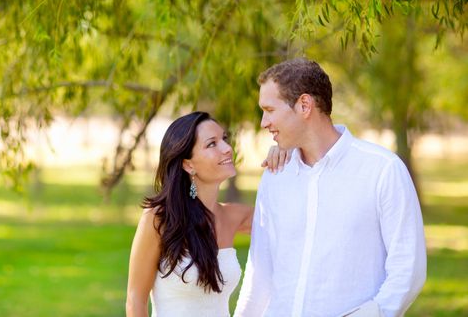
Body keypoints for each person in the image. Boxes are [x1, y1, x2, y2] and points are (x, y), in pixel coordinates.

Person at [234, 58, 427, 317]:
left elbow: (408, 267)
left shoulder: (382, 170)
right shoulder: (275, 175)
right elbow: (260, 274)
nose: (263, 122)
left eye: (269, 110)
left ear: (304, 105)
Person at [127, 111, 280, 317]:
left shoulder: (233, 216)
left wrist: (285, 160)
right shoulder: (158, 219)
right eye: (212, 144)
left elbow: (290, 219)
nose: (227, 149)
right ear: (188, 164)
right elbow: (136, 300)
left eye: (224, 139)